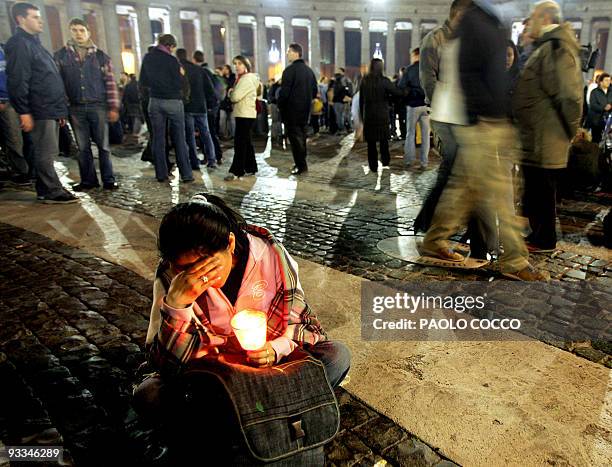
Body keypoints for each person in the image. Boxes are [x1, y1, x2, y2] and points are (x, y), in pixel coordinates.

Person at [133, 193, 351, 415]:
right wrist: (177, 306)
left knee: (336, 356)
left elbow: (302, 325)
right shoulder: (172, 277)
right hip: (214, 377)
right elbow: (166, 364)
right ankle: (268, 408)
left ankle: (244, 412)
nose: (200, 277)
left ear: (230, 243)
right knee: (149, 395)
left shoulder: (269, 255)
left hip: (270, 366)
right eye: (184, 268)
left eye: (205, 264)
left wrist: (274, 349)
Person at [421, 0, 548, 281]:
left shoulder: (486, 22)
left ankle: (435, 239)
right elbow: (471, 77)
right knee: (500, 192)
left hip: (486, 120)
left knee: (463, 189)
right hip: (484, 121)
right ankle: (514, 259)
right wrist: (488, 115)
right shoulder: (476, 23)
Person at [514, 0, 583, 254]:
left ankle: (544, 239)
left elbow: (570, 96)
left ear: (544, 18)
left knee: (542, 190)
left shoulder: (556, 48)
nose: (528, 22)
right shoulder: (546, 47)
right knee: (535, 188)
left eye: (532, 17)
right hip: (538, 134)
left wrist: (569, 131)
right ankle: (538, 234)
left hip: (547, 135)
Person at [5, 2, 77, 204]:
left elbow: (49, 78)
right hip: (39, 108)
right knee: (45, 152)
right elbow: (18, 79)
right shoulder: (20, 44)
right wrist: (24, 111)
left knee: (49, 151)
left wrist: (60, 111)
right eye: (35, 17)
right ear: (21, 19)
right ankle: (50, 190)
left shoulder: (35, 43)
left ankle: (48, 188)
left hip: (49, 107)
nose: (41, 20)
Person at [54, 17, 120, 191]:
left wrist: (113, 107)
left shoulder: (101, 56)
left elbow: (110, 83)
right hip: (75, 107)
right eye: (75, 30)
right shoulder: (61, 55)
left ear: (88, 32)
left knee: (104, 146)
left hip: (98, 105)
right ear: (70, 32)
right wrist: (61, 109)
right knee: (82, 148)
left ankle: (108, 179)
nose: (78, 34)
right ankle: (88, 180)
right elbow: (58, 85)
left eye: (82, 30)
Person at [139, 34, 193, 183]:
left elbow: (143, 80)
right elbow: (179, 83)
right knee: (179, 139)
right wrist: (181, 75)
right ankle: (186, 174)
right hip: (173, 101)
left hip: (155, 100)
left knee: (158, 138)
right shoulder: (172, 60)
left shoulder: (148, 58)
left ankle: (161, 174)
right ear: (170, 46)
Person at [278, 43, 318, 175]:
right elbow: (314, 91)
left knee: (295, 139)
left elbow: (284, 93)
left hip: (291, 110)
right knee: (302, 137)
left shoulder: (289, 71)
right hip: (305, 110)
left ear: (296, 53)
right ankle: (301, 163)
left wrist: (280, 106)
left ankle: (301, 165)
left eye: (289, 51)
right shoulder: (309, 71)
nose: (287, 54)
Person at [359, 58, 405, 172]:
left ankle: (373, 165)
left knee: (371, 143)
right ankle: (385, 160)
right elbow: (397, 92)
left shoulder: (364, 81)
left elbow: (361, 101)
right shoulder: (384, 81)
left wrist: (362, 116)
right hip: (382, 115)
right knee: (384, 140)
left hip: (369, 116)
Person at [176, 48, 218, 170]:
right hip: (201, 106)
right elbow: (210, 89)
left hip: (187, 107)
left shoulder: (179, 70)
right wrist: (209, 103)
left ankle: (194, 161)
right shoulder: (199, 70)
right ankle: (212, 159)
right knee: (206, 133)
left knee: (190, 135)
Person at [0, 42, 31, 185]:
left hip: (15, 99)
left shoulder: (6, 48)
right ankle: (21, 171)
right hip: (4, 101)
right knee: (13, 139)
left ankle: (25, 171)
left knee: (20, 138)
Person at [225, 56, 260, 181]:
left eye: (239, 63)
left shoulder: (246, 79)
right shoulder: (246, 79)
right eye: (235, 64)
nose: (237, 66)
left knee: (240, 143)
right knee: (246, 142)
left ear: (246, 65)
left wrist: (230, 92)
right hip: (245, 113)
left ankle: (236, 170)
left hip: (244, 114)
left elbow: (235, 97)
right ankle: (251, 167)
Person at [400, 48, 430, 169]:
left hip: (413, 105)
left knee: (410, 133)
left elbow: (401, 86)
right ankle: (424, 162)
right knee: (425, 135)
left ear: (415, 56)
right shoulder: (429, 69)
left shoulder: (409, 70)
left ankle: (409, 161)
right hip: (426, 106)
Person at [193, 51, 223, 165]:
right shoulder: (209, 71)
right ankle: (214, 156)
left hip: (209, 106)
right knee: (210, 132)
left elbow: (208, 90)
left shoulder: (203, 72)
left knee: (208, 132)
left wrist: (209, 105)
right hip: (213, 105)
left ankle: (213, 156)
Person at [586, 72, 612, 144]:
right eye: (606, 80)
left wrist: (610, 106)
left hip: (608, 121)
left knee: (607, 141)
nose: (608, 82)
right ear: (601, 82)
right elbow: (593, 105)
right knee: (596, 140)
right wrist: (604, 108)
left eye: (609, 80)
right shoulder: (594, 92)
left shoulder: (611, 91)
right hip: (596, 120)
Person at [331, 68, 352, 135]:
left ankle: (342, 129)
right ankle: (347, 128)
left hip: (339, 100)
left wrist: (347, 96)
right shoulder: (343, 80)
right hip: (341, 100)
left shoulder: (340, 80)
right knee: (343, 115)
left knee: (340, 116)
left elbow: (340, 90)